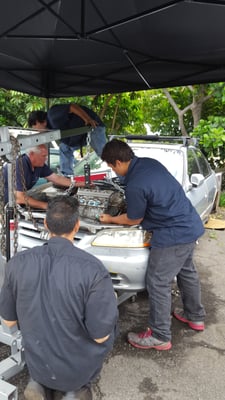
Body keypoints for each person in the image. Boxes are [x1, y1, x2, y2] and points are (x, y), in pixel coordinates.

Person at [0, 195, 118, 400]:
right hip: (76, 371)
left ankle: (40, 382)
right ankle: (73, 390)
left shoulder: (18, 263)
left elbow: (8, 321)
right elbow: (100, 336)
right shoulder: (94, 271)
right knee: (110, 322)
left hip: (38, 363)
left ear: (46, 224)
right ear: (77, 226)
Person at [99, 139, 205, 351]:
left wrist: (109, 220)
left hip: (172, 234)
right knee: (186, 272)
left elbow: (133, 219)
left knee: (157, 282)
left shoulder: (135, 183)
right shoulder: (149, 163)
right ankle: (195, 317)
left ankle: (160, 335)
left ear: (119, 161)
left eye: (111, 166)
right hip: (189, 224)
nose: (112, 170)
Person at [28, 104, 107, 176]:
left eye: (35, 128)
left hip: (94, 127)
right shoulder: (51, 127)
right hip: (81, 134)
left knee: (105, 154)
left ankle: (119, 171)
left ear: (38, 122)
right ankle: (67, 177)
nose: (37, 131)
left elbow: (72, 107)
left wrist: (88, 119)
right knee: (64, 148)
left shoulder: (52, 115)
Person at [3, 144, 77, 210]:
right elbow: (20, 198)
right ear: (32, 154)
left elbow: (57, 178)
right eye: (43, 156)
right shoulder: (20, 165)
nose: (46, 158)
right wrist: (48, 206)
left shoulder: (39, 165)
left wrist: (82, 183)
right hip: (5, 206)